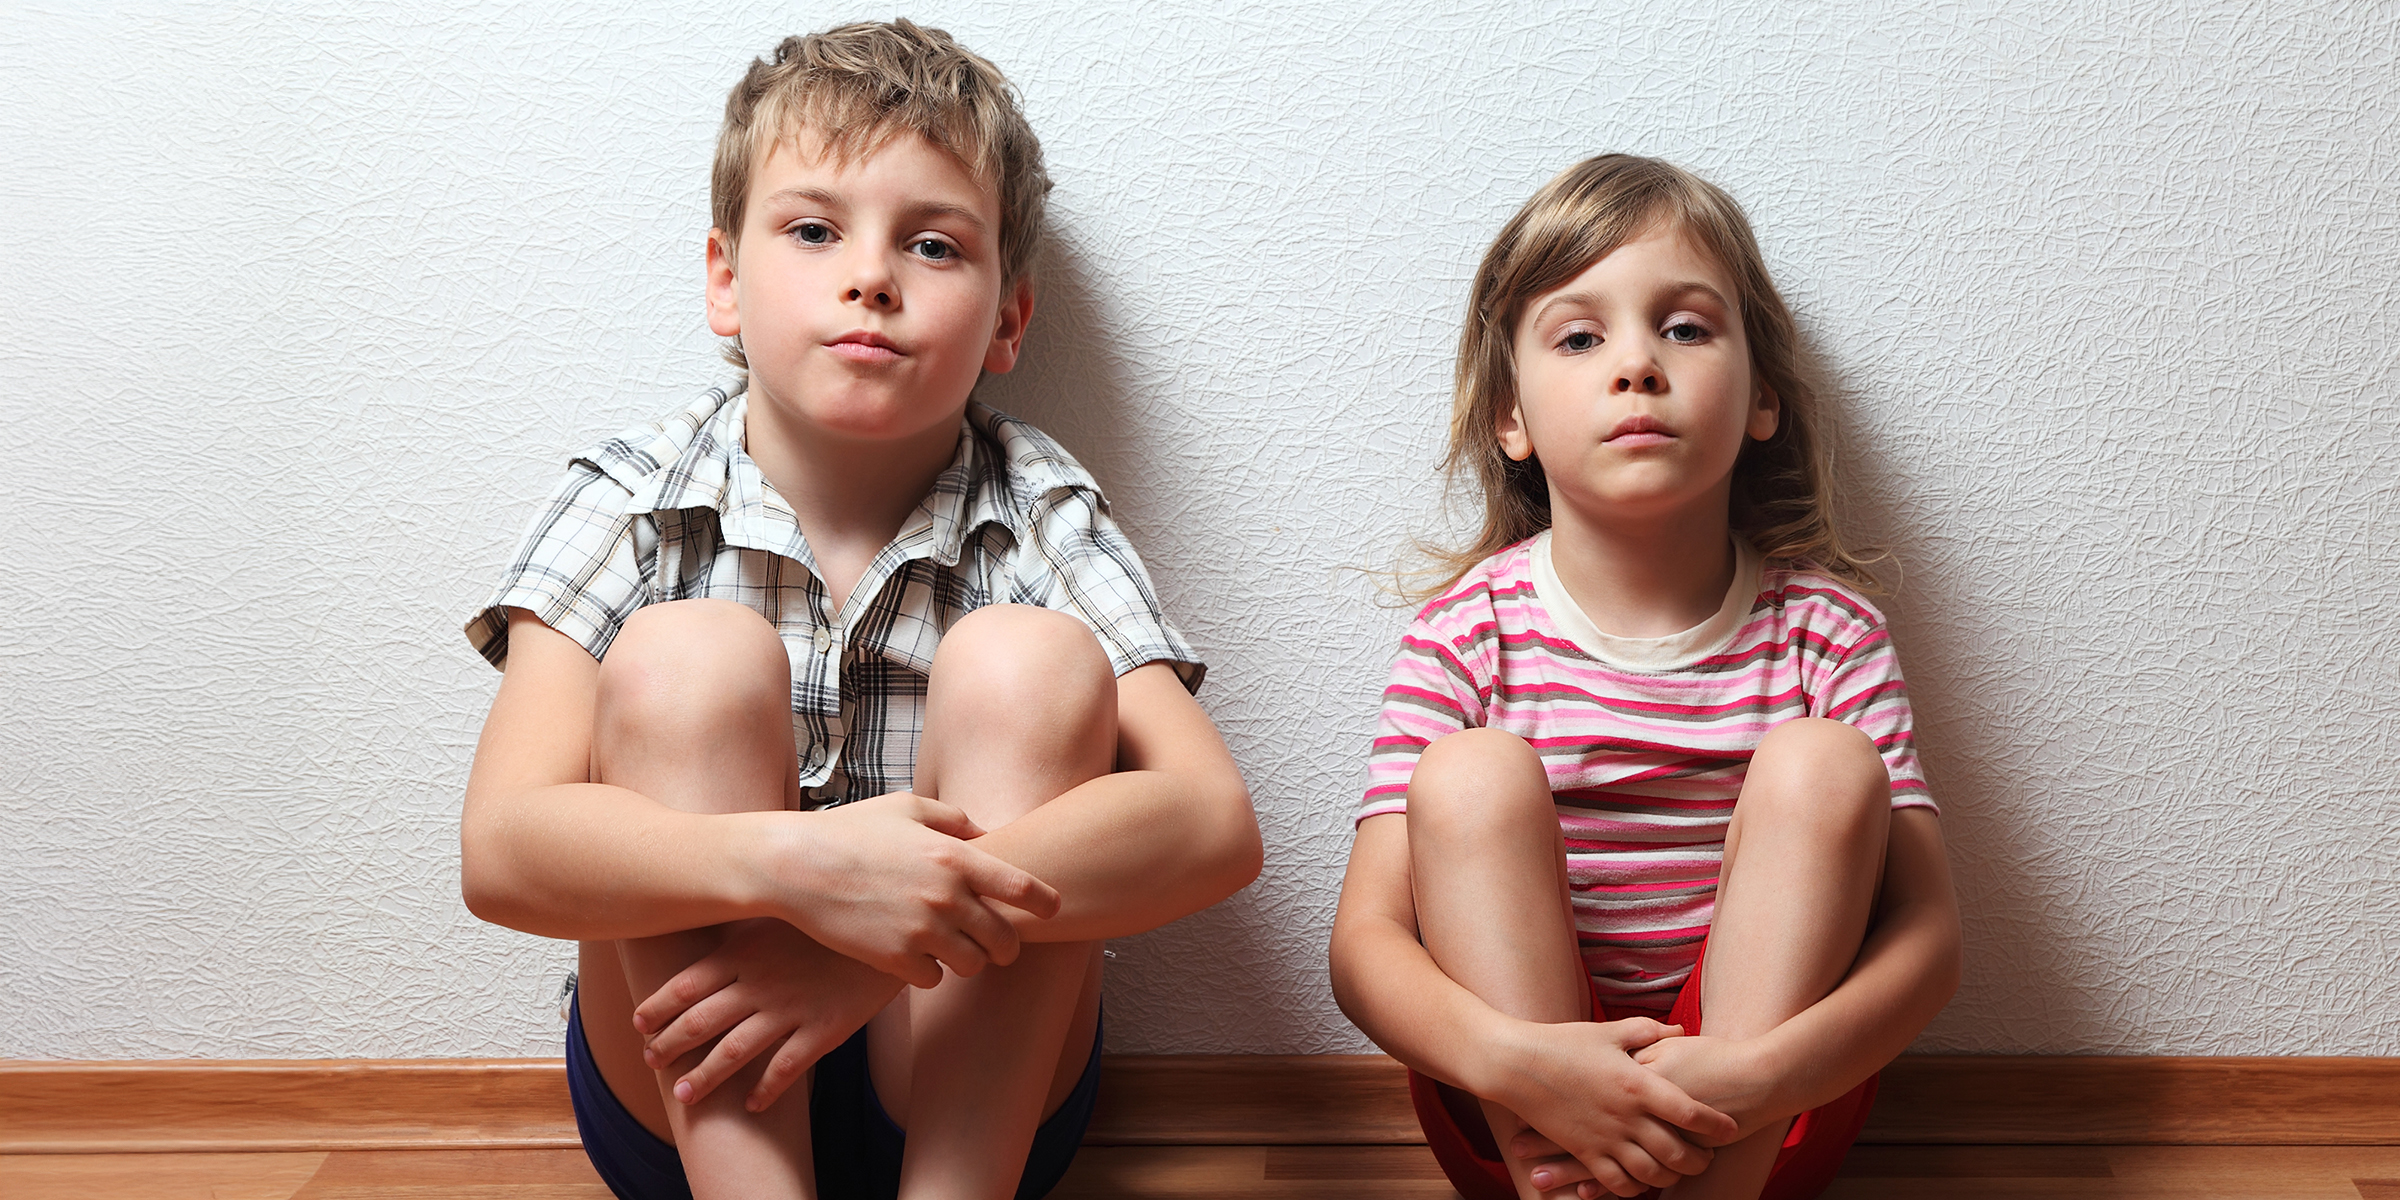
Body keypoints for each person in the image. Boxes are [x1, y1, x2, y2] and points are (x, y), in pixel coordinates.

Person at [457, 21, 1261, 1200]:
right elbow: (502, 852)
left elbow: (1210, 824)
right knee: (687, 655)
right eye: (815, 230)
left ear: (1006, 321)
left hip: (967, 1086)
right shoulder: (630, 490)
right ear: (725, 279)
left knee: (1030, 661)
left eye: (932, 244)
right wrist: (796, 873)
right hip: (682, 1087)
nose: (871, 275)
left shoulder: (1038, 507)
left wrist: (872, 958)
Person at [1327, 155, 1962, 1200]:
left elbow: (1928, 942)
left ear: (1762, 399)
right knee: (1469, 775)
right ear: (1511, 417)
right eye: (1580, 337)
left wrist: (1755, 1079)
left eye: (1686, 327)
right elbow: (1365, 949)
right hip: (1523, 1119)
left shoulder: (1829, 635)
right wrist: (1517, 1065)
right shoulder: (1463, 636)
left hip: (1767, 1112)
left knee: (1824, 764)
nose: (1636, 365)